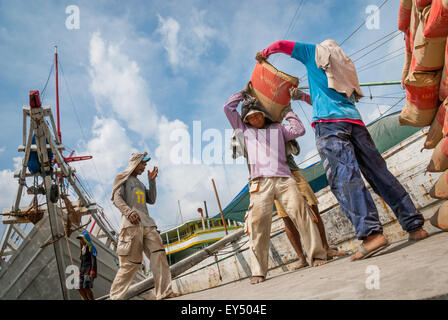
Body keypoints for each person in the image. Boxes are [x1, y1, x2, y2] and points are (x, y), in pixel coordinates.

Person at [256, 39, 429, 261]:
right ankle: (415, 226)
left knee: (345, 179)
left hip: (330, 127)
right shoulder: (343, 66)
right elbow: (330, 96)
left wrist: (264, 53)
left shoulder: (313, 53)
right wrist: (301, 96)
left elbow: (281, 44)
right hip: (355, 124)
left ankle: (371, 236)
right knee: (380, 174)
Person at [224, 87, 327, 285]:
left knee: (301, 213)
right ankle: (258, 271)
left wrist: (287, 111)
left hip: (284, 179)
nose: (255, 119)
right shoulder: (244, 132)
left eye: (258, 115)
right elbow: (228, 108)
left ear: (264, 115)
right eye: (251, 117)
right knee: (257, 225)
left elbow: (299, 130)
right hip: (259, 183)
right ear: (246, 120)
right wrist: (242, 93)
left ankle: (317, 255)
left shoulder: (278, 128)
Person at [110, 152, 180, 300]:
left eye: (145, 164)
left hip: (147, 223)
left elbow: (151, 199)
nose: (144, 166)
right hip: (131, 225)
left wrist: (152, 181)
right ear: (135, 163)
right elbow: (116, 198)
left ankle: (164, 292)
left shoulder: (140, 184)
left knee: (158, 253)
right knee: (131, 264)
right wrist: (128, 212)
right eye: (143, 163)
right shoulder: (122, 178)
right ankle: (115, 297)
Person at [77, 231, 97, 300]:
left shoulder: (90, 247)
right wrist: (79, 271)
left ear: (85, 239)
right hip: (82, 271)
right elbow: (82, 262)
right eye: (80, 239)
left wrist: (92, 270)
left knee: (86, 287)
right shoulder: (83, 249)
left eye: (82, 239)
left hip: (89, 271)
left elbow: (93, 259)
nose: (81, 241)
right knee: (79, 287)